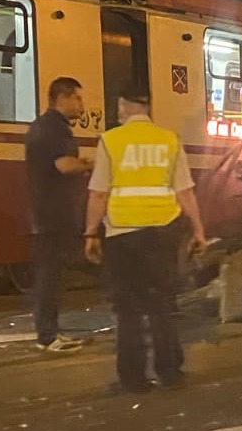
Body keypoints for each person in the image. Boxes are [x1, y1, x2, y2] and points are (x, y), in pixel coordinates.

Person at [84, 84, 208, 393]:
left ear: (124, 106)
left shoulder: (111, 141)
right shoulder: (168, 140)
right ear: (148, 108)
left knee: (127, 309)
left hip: (122, 234)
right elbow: (185, 191)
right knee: (162, 304)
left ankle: (133, 378)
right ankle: (170, 373)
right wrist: (198, 229)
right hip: (162, 233)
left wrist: (89, 233)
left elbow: (99, 193)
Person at [25, 76, 92, 352]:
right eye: (77, 98)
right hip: (55, 214)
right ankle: (49, 336)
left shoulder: (41, 126)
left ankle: (48, 332)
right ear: (62, 97)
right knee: (51, 277)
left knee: (50, 275)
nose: (81, 104)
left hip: (43, 212)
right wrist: (90, 163)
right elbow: (64, 166)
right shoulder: (57, 129)